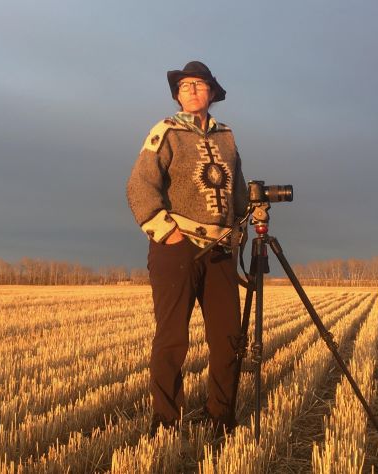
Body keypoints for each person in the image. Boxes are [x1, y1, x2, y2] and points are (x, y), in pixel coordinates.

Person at [126, 60, 248, 436]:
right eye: (185, 86)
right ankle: (165, 422)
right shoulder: (165, 131)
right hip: (176, 248)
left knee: (228, 340)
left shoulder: (227, 136)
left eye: (199, 85)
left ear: (212, 92)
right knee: (172, 339)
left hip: (220, 251)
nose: (192, 90)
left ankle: (221, 419)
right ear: (178, 95)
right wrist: (166, 232)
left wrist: (242, 224)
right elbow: (139, 186)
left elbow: (237, 190)